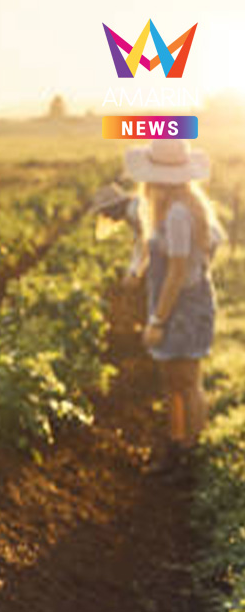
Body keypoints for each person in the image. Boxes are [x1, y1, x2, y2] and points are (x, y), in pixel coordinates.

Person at [116, 138, 223, 475]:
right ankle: (177, 447)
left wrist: (157, 320)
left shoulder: (178, 213)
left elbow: (177, 272)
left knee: (186, 382)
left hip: (183, 308)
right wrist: (138, 271)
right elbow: (168, 251)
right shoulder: (178, 205)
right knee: (174, 382)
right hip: (181, 302)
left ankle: (190, 454)